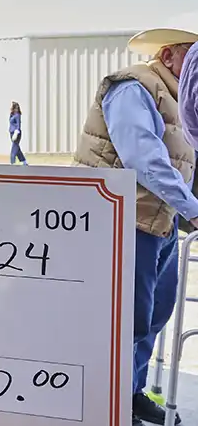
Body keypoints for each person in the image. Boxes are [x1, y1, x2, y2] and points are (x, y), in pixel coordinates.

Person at [72, 26, 198, 426]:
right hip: (122, 222)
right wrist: (193, 209)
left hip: (156, 224)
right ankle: (105, 400)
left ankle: (129, 392)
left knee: (155, 312)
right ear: (169, 57)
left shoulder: (178, 97)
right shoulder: (133, 87)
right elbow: (141, 158)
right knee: (126, 319)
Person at [9, 101, 28, 165]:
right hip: (11, 133)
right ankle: (24, 161)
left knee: (14, 149)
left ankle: (12, 162)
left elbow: (18, 124)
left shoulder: (17, 115)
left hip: (16, 133)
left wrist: (16, 132)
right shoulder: (12, 115)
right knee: (17, 149)